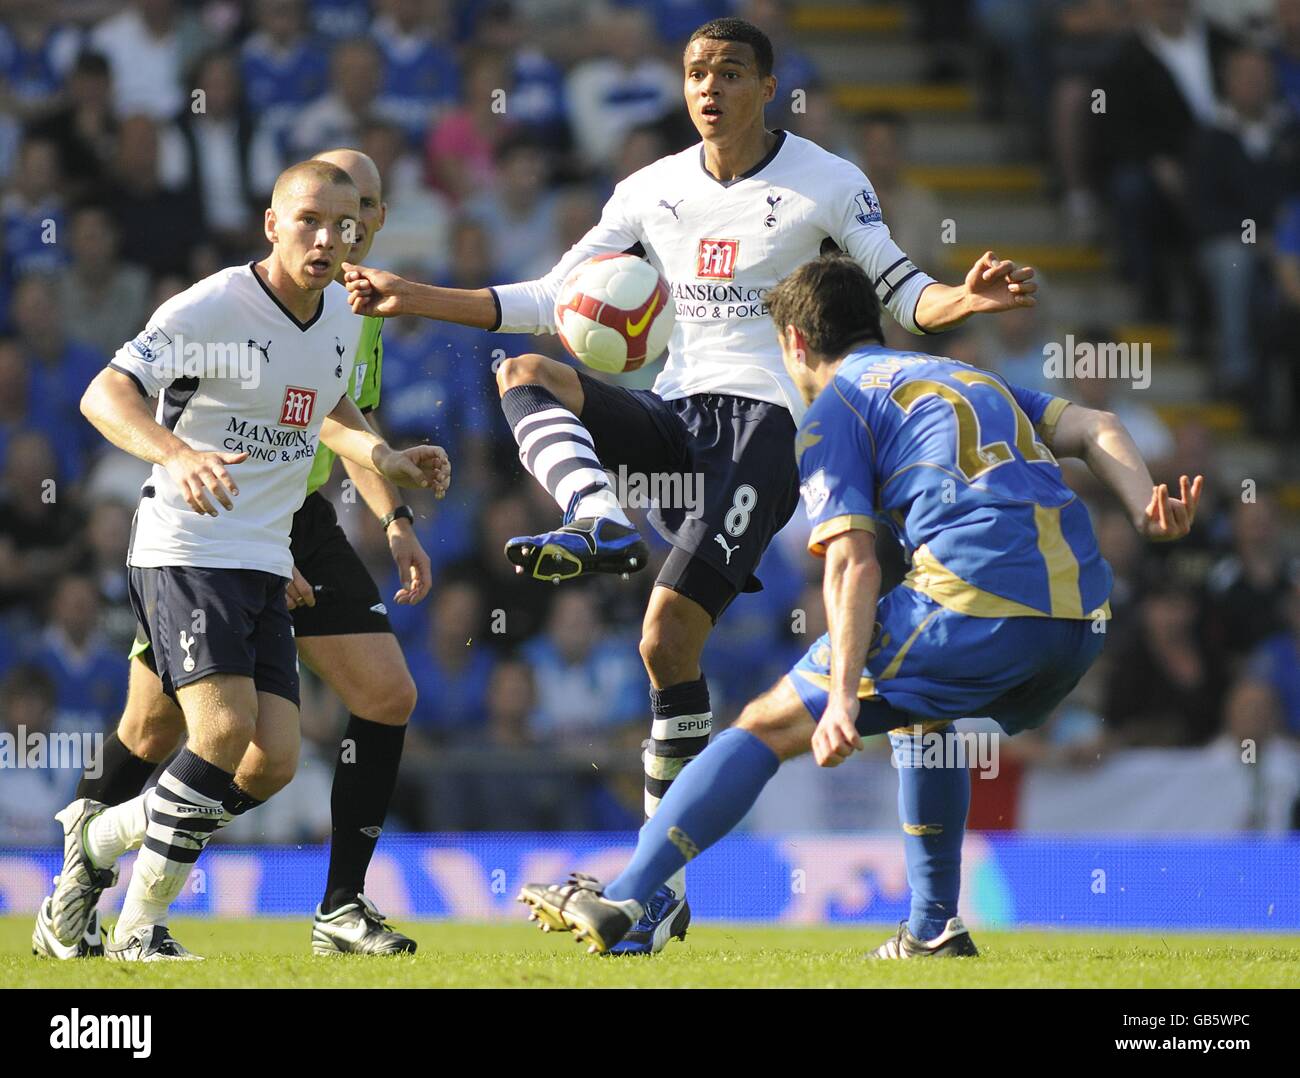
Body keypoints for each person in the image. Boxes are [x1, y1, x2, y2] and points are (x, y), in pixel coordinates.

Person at [344, 16, 1036, 953]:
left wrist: (967, 298)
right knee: (526, 374)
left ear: (767, 86)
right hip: (676, 415)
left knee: (672, 630)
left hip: (771, 430)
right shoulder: (649, 190)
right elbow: (554, 297)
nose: (707, 88)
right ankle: (595, 518)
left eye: (729, 72)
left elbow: (905, 292)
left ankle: (658, 886)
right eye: (695, 72)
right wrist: (413, 295)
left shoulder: (828, 181)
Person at [518, 254, 1203, 957]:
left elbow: (853, 561)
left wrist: (841, 697)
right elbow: (1098, 426)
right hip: (1081, 615)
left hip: (979, 598)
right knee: (921, 711)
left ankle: (628, 895)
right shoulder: (969, 378)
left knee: (765, 724)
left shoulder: (835, 411)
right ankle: (934, 926)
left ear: (795, 345)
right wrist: (1146, 509)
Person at [32, 159, 448, 962]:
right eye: (310, 222)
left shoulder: (338, 316)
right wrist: (175, 452)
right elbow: (103, 394)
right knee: (216, 731)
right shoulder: (215, 304)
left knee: (272, 761)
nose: (328, 238)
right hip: (189, 543)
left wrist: (384, 462)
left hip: (266, 548)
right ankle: (138, 931)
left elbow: (326, 401)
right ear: (271, 224)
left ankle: (96, 839)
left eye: (345, 225)